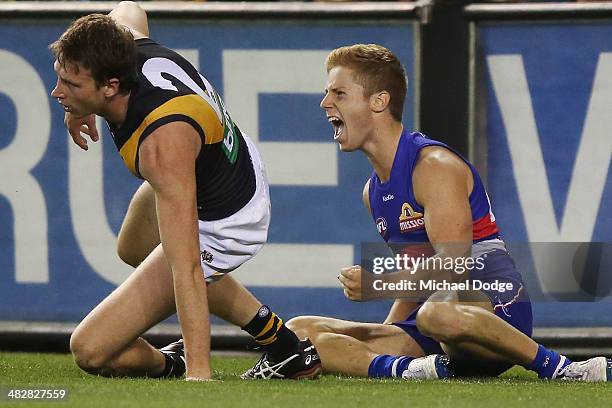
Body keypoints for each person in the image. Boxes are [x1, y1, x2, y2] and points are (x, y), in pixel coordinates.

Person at [286, 43, 612, 382]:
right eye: (327, 93)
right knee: (299, 331)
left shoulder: (434, 167)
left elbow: (452, 269)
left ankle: (562, 369)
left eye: (339, 93)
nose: (325, 103)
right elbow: (416, 275)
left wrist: (376, 283)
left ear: (379, 101)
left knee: (437, 313)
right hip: (433, 318)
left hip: (492, 307)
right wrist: (389, 333)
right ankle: (414, 371)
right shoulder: (373, 192)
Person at [50, 1, 321, 381]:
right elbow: (129, 8)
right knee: (134, 247)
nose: (56, 92)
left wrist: (199, 375)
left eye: (71, 85)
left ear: (111, 87)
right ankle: (281, 343)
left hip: (229, 217)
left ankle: (177, 364)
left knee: (91, 350)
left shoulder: (161, 146)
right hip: (218, 159)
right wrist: (79, 104)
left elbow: (188, 268)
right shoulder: (121, 44)